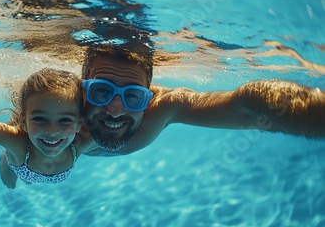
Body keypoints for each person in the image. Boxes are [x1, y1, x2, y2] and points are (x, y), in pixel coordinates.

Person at [81, 44, 325, 156]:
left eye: (134, 95)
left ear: (149, 94)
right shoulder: (52, 105)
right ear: (81, 88)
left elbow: (249, 105)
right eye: (101, 91)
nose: (115, 109)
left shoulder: (161, 109)